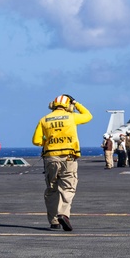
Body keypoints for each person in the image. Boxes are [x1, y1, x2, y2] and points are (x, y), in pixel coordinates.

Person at [32, 94, 92, 231]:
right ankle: (63, 214)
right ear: (67, 105)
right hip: (68, 157)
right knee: (68, 187)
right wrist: (76, 103)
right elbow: (88, 116)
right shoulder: (72, 117)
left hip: (50, 158)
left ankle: (54, 221)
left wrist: (47, 140)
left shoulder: (44, 119)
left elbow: (36, 141)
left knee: (52, 189)